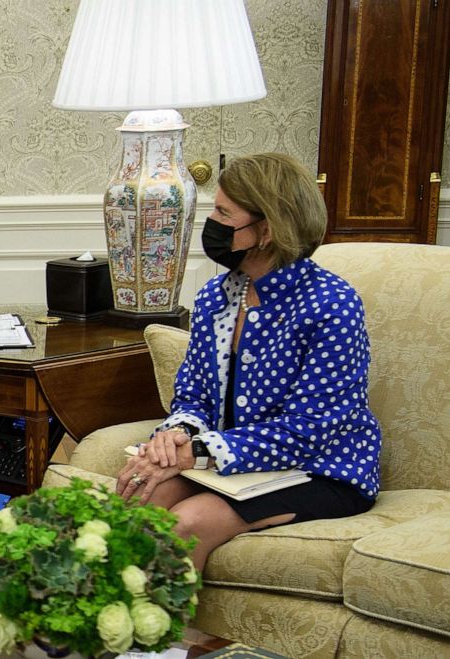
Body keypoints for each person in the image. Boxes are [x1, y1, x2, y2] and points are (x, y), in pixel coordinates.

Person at [116, 153, 381, 571]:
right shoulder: (217, 296)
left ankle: (167, 637)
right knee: (142, 496)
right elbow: (194, 395)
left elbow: (308, 432)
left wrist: (197, 454)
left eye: (224, 212)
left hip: (322, 469)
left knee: (187, 523)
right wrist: (175, 438)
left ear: (267, 230)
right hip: (234, 466)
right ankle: (113, 632)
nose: (213, 223)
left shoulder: (332, 305)